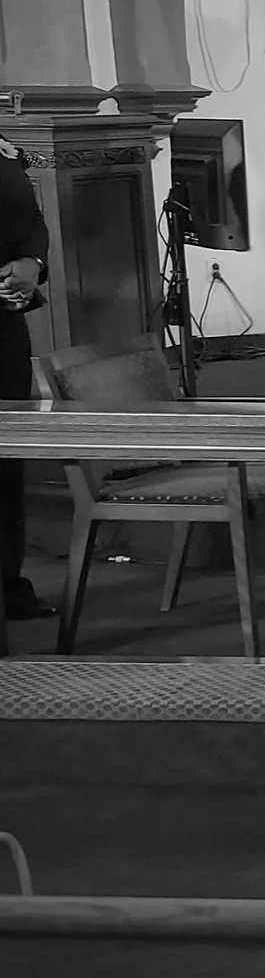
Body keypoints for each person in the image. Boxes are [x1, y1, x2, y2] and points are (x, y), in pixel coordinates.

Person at [0, 136, 53, 622]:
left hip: (4, 330)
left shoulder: (3, 150)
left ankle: (8, 587)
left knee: (7, 463)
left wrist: (32, 266)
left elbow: (30, 220)